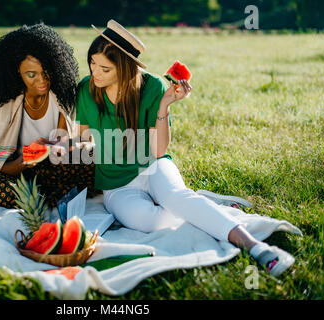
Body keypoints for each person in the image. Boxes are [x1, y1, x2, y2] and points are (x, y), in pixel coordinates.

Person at [75, 19, 295, 276]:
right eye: (92, 63)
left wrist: (164, 105)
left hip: (153, 165)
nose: (95, 73)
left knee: (177, 198)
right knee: (152, 222)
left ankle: (256, 247)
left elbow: (158, 152)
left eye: (105, 68)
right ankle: (202, 201)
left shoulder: (152, 87)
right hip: (116, 184)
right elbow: (84, 141)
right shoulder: (85, 90)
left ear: (125, 68)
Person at [0, 24, 100, 209]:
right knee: (1, 191)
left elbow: (63, 141)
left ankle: (42, 197)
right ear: (17, 71)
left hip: (50, 169)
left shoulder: (59, 99)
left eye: (46, 71)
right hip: (12, 173)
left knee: (92, 155)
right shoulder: (5, 106)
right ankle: (51, 196)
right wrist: (17, 165)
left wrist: (58, 147)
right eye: (31, 74)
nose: (41, 80)